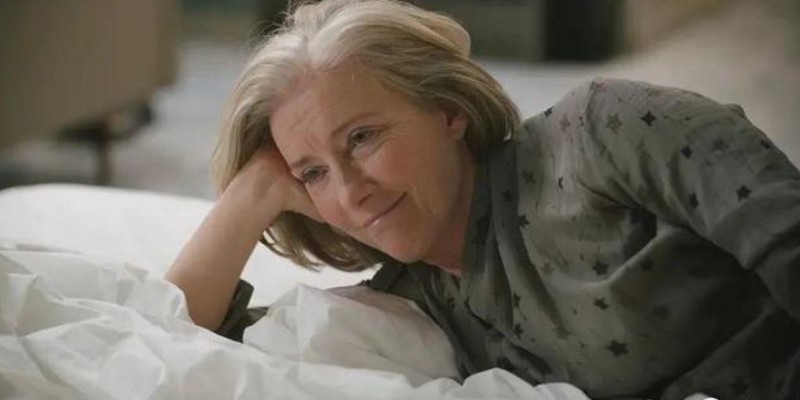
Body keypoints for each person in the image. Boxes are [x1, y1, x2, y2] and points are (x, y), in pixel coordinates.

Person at [165, 0, 800, 398]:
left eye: (362, 138)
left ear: (449, 110)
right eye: (313, 173)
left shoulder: (604, 131)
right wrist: (252, 192)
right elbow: (177, 341)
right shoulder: (408, 304)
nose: (351, 192)